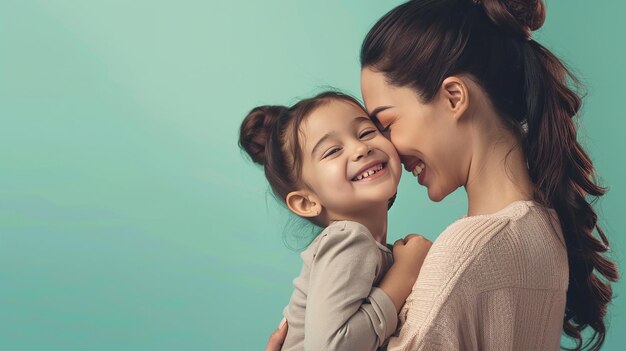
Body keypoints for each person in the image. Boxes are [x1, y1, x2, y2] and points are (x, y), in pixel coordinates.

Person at [267, 0, 619, 350]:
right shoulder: (544, 229)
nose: (386, 148)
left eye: (385, 124)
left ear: (453, 98)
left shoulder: (464, 254)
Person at [239, 91, 432, 350]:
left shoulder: (359, 243)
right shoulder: (349, 238)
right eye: (332, 151)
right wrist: (404, 275)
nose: (361, 148)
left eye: (366, 132)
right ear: (306, 203)